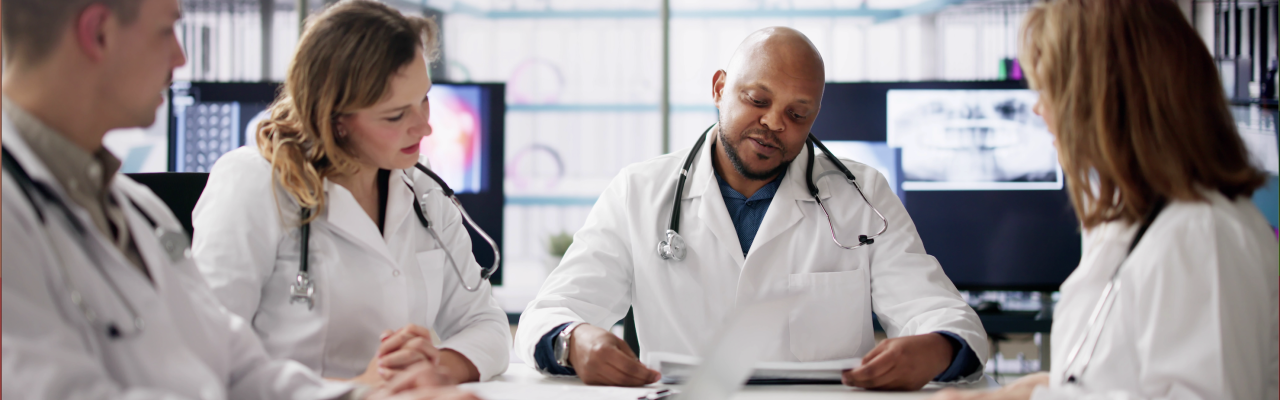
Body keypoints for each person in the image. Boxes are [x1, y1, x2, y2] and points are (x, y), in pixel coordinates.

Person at [0, 0, 480, 399]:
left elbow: (234, 364)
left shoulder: (133, 209)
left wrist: (371, 396)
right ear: (99, 32)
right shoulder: (11, 208)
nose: (181, 58)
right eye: (167, 30)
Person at [514, 26, 989, 391]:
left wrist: (939, 348)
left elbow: (940, 311)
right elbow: (551, 311)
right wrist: (573, 340)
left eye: (797, 115)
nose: (772, 124)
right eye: (757, 99)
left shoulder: (860, 194)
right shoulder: (638, 192)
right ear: (720, 87)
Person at [930, 1, 1279, 399]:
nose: (1039, 109)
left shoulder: (1204, 235)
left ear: (1106, 98)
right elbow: (1106, 382)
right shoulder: (1136, 225)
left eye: (1051, 90)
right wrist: (1012, 395)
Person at [190, 0, 510, 387]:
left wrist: (432, 366)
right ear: (335, 119)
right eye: (395, 115)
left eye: (424, 99)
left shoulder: (421, 188)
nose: (424, 128)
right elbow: (203, 357)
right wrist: (360, 390)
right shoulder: (253, 184)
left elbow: (485, 325)